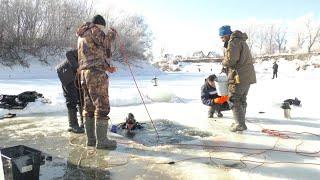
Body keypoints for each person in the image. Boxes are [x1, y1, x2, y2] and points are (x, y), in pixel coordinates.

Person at [77, 15, 117, 149]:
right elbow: (105, 43)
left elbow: (92, 56)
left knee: (88, 108)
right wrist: (111, 34)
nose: (102, 31)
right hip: (95, 75)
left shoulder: (81, 35)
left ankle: (91, 140)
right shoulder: (94, 30)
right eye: (102, 29)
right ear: (99, 25)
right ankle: (102, 141)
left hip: (84, 74)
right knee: (102, 107)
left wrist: (107, 67)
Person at [219, 25, 256, 132]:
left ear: (226, 35)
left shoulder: (233, 42)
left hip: (239, 76)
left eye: (221, 37)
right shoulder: (241, 41)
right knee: (242, 99)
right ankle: (239, 121)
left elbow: (231, 60)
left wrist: (223, 62)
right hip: (247, 76)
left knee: (234, 99)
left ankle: (240, 124)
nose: (221, 40)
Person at [56, 49, 84, 134]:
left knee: (82, 98)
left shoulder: (96, 55)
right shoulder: (84, 47)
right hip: (66, 73)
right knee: (72, 98)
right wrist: (77, 67)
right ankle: (72, 125)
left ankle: (84, 122)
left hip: (77, 76)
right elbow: (68, 53)